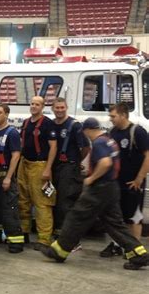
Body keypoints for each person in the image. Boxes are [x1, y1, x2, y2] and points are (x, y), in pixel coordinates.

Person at [41, 118, 149, 270]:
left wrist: (91, 178)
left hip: (99, 188)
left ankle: (59, 251)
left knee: (76, 217)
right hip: (111, 187)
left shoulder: (98, 143)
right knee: (115, 224)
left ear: (87, 130)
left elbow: (105, 163)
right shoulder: (108, 140)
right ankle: (139, 254)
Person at [100, 103, 149, 257]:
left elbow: (148, 156)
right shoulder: (113, 132)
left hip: (133, 183)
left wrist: (139, 179)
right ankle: (116, 245)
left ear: (123, 115)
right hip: (116, 183)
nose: (111, 119)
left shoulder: (138, 132)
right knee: (117, 217)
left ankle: (136, 252)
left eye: (113, 116)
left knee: (134, 217)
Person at [17, 96, 57, 249]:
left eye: (37, 104)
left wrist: (48, 169)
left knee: (42, 203)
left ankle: (44, 238)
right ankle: (24, 231)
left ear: (43, 106)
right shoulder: (26, 123)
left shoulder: (48, 124)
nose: (34, 106)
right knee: (23, 200)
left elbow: (53, 147)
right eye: (32, 104)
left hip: (40, 165)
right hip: (24, 163)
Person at [0, 104, 24, 253]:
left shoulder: (12, 133)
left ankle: (15, 242)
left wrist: (9, 177)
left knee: (9, 211)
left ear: (7, 114)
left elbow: (16, 156)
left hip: (4, 178)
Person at [51, 98, 90, 237]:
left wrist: (77, 160)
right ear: (52, 109)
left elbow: (86, 147)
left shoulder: (74, 125)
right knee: (52, 199)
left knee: (65, 202)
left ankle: (68, 236)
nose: (59, 110)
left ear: (66, 107)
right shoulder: (51, 124)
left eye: (62, 107)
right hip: (53, 167)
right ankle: (56, 231)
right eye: (57, 108)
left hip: (69, 167)